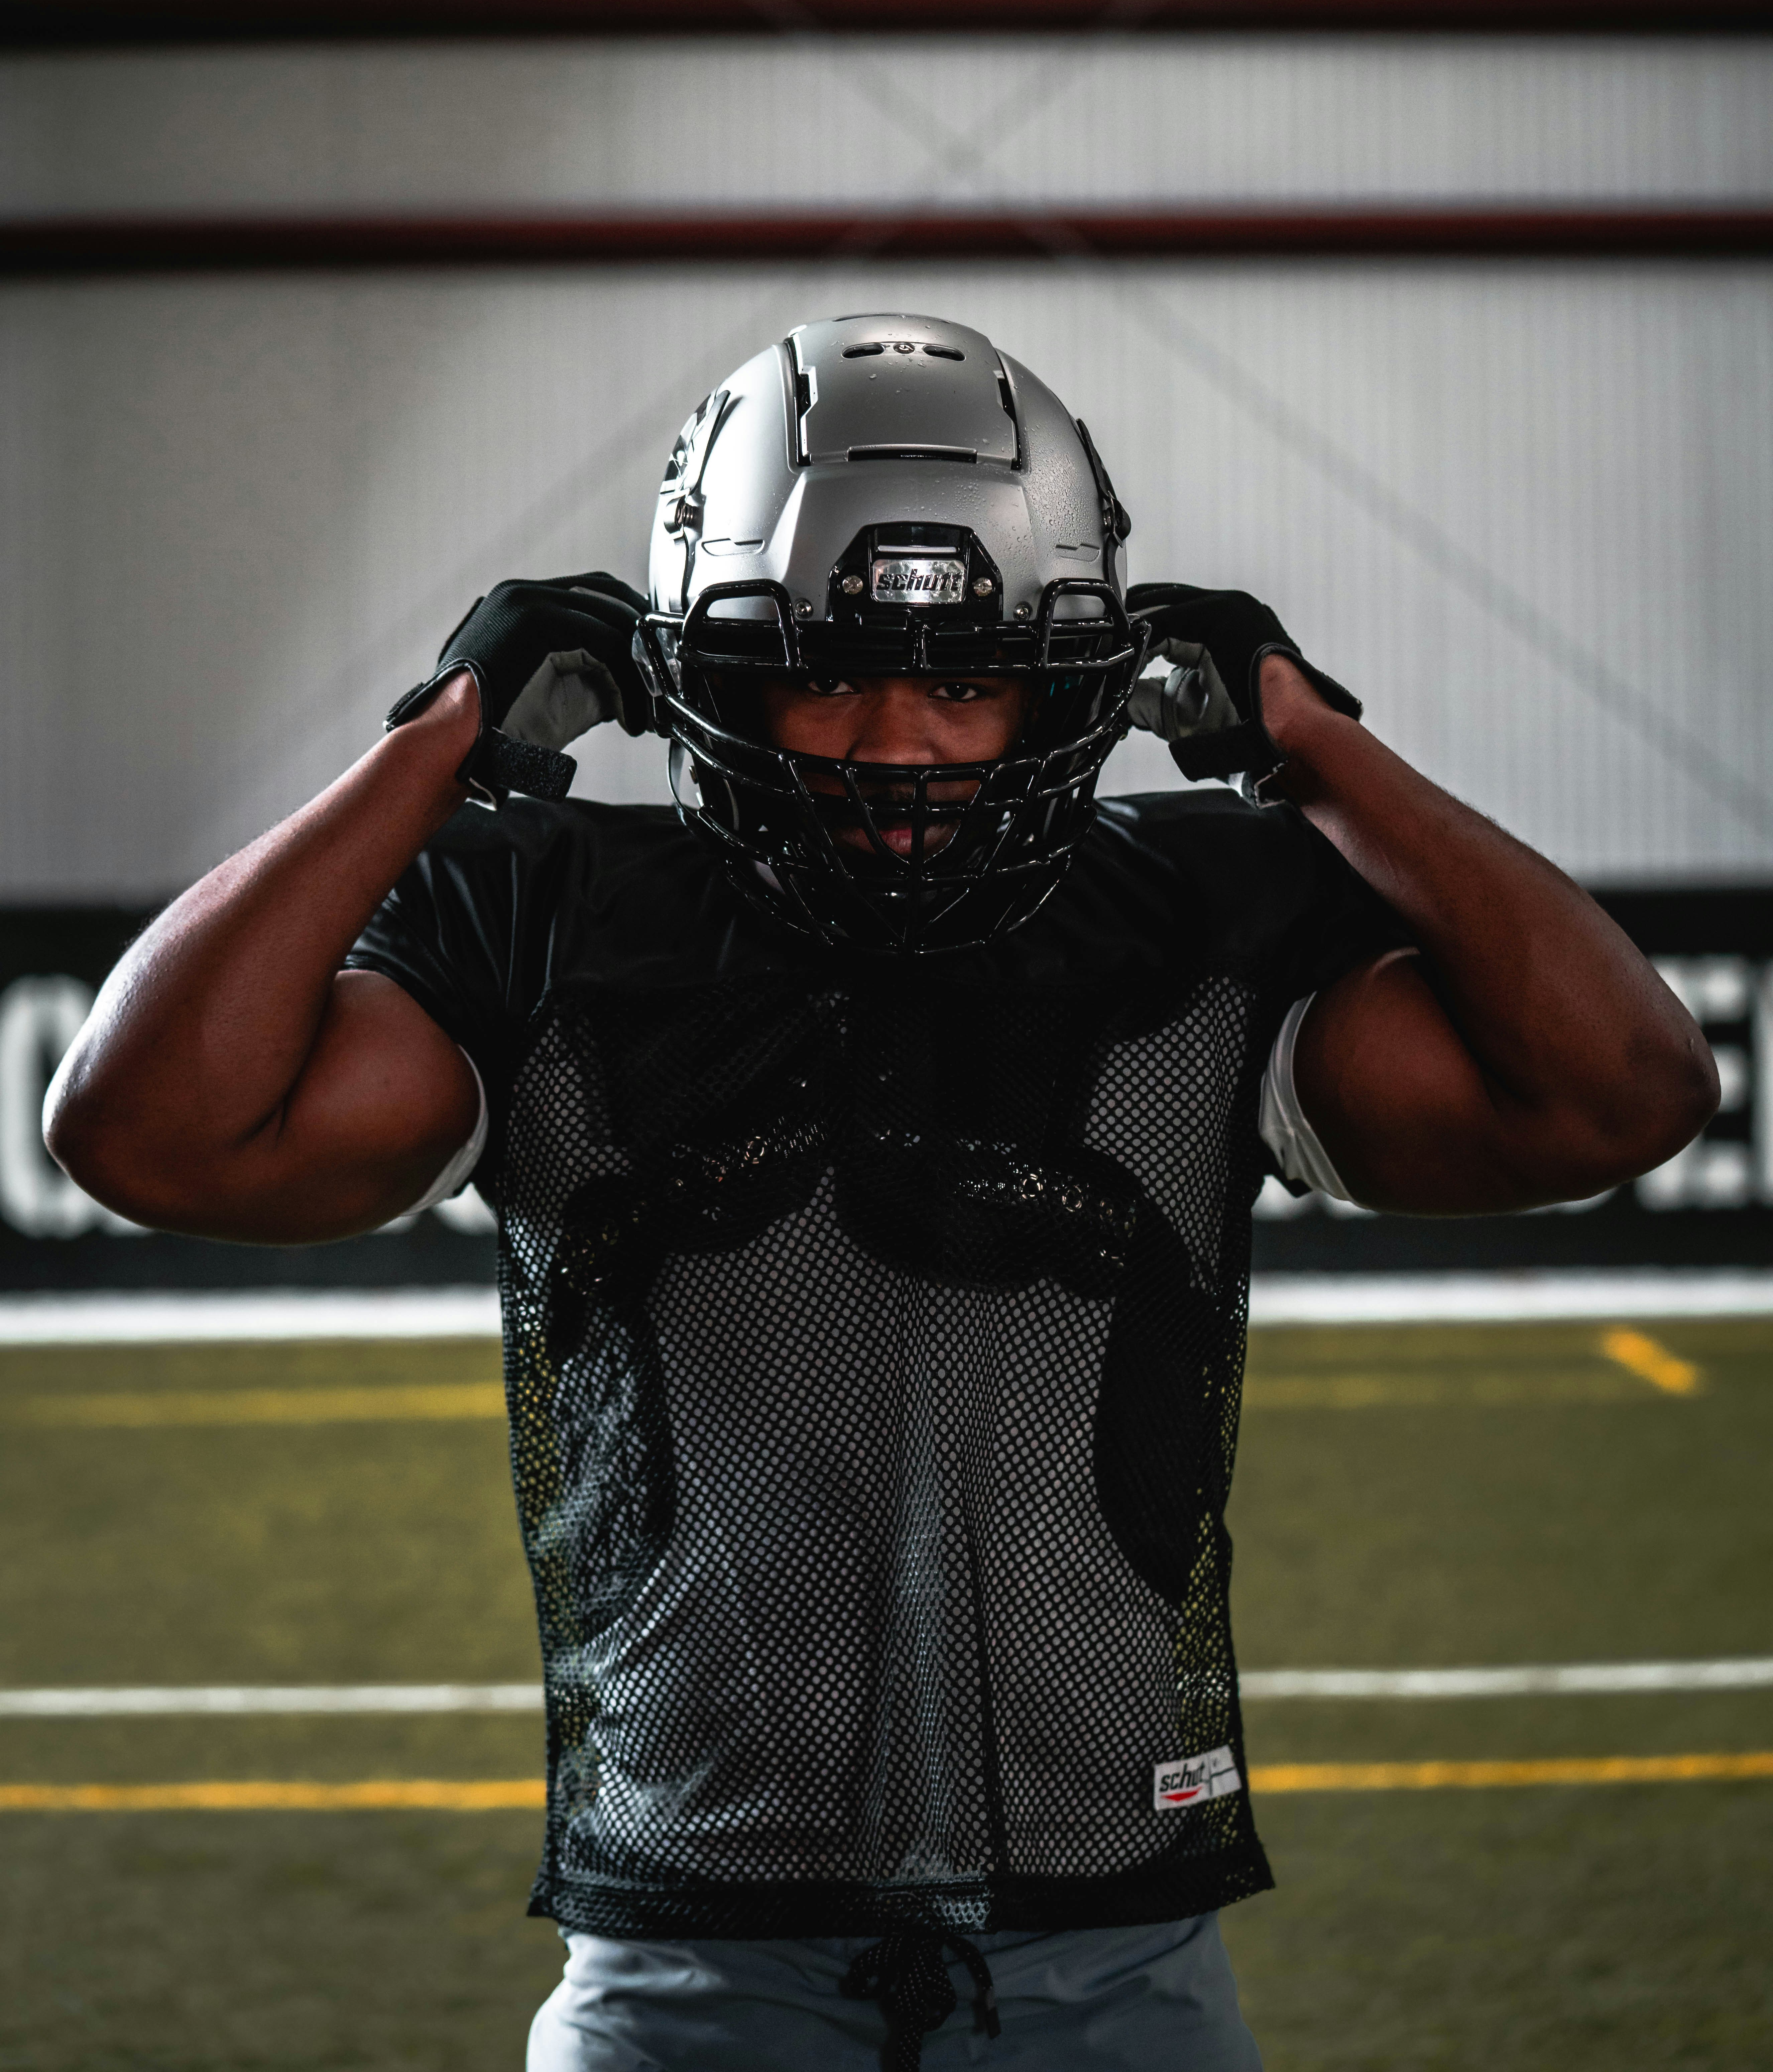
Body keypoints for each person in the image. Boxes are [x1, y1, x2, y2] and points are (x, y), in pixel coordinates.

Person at [47, 313, 1715, 2072]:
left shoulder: (1196, 934)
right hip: (690, 1971)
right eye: (824, 672)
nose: (899, 744)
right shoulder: (553, 929)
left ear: (1062, 678)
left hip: (1115, 1957)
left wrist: (1307, 746)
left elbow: (1624, 1091)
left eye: (963, 678)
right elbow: (148, 1132)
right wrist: (436, 749)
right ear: (713, 668)